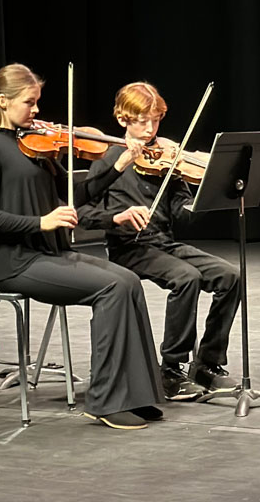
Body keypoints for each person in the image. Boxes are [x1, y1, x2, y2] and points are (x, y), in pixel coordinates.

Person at [0, 64, 164, 430]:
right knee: (112, 287)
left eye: (38, 102)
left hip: (50, 254)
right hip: (16, 262)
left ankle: (138, 394)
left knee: (128, 281)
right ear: (3, 101)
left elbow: (77, 196)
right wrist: (40, 222)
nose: (37, 110)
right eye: (30, 102)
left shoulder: (37, 148)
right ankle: (105, 400)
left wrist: (118, 165)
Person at [77, 82, 239, 401]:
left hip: (163, 242)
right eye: (142, 121)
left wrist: (207, 194)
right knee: (187, 278)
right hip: (129, 246)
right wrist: (116, 217)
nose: (150, 129)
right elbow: (81, 211)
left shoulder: (165, 158)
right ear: (124, 119)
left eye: (155, 120)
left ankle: (207, 363)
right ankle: (170, 370)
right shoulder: (110, 158)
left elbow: (182, 212)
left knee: (230, 276)